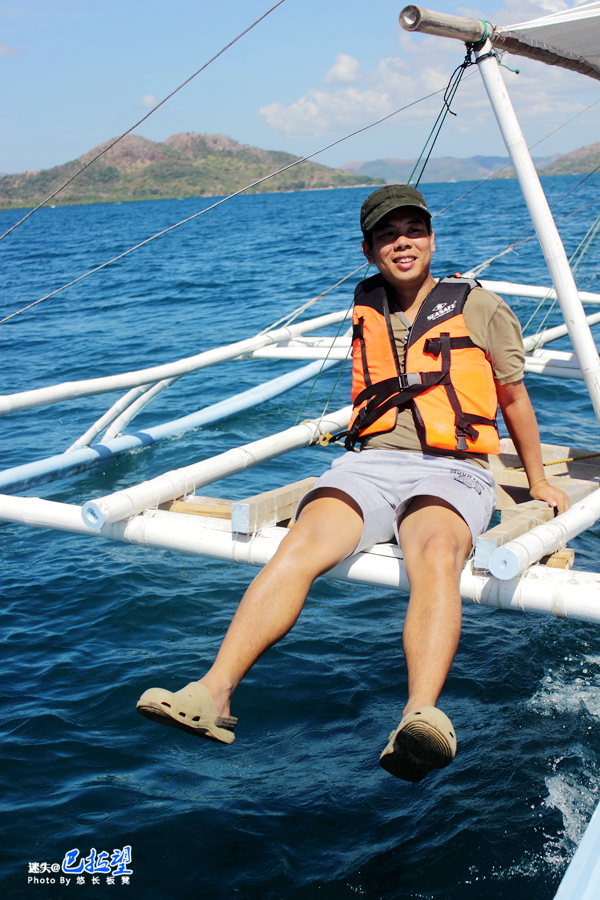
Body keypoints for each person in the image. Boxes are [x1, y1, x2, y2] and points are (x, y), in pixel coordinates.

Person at [137, 185, 569, 782]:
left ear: (431, 239)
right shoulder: (367, 302)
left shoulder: (481, 307)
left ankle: (420, 717)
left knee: (434, 551)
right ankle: (214, 692)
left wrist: (537, 480)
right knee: (301, 542)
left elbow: (513, 397)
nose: (402, 243)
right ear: (369, 251)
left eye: (413, 231)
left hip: (454, 466)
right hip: (370, 463)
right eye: (388, 235)